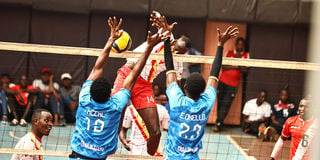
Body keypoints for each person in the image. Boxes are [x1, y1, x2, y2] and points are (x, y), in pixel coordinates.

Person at [69, 16, 168, 160]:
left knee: (155, 132)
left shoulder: (84, 98)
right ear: (110, 95)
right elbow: (133, 75)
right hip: (98, 157)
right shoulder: (115, 106)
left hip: (76, 155)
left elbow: (97, 68)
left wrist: (110, 40)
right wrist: (149, 47)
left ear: (90, 90)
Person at [111, 11, 183, 155]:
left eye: (180, 49)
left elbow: (175, 86)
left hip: (144, 86)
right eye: (175, 44)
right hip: (127, 74)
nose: (175, 48)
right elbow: (162, 25)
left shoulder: (178, 62)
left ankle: (150, 157)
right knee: (113, 121)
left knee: (156, 133)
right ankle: (108, 148)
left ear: (184, 51)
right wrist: (157, 16)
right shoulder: (167, 37)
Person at [164, 25, 238, 159]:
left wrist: (166, 37)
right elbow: (214, 75)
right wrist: (220, 45)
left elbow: (169, 69)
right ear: (203, 90)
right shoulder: (206, 103)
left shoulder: (177, 101)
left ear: (184, 87)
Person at [213, 37, 250, 132]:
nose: (240, 46)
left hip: (233, 85)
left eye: (242, 44)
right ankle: (219, 122)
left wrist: (236, 62)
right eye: (239, 44)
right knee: (220, 103)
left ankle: (218, 123)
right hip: (222, 82)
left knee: (226, 104)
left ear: (244, 46)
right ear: (236, 45)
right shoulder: (229, 53)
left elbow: (245, 69)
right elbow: (223, 67)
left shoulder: (246, 55)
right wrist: (237, 66)